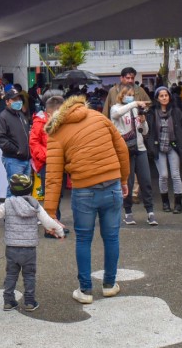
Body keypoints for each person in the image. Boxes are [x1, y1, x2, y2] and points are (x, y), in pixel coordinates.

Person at [43, 93, 130, 305]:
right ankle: (109, 285)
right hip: (112, 186)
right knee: (111, 237)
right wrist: (124, 179)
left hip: (84, 191)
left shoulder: (56, 133)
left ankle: (85, 290)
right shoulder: (98, 117)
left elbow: (53, 177)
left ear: (50, 114)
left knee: (83, 240)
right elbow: (122, 149)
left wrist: (50, 214)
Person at [0, 173, 65, 311]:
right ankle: (30, 302)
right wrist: (59, 231)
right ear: (30, 189)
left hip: (12, 247)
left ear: (12, 189)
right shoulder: (34, 204)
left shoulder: (7, 204)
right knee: (29, 275)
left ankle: (8, 301)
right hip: (29, 248)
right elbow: (47, 221)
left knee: (11, 274)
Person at [110, 83, 155, 226]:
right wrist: (134, 103)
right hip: (125, 150)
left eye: (131, 95)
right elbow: (117, 114)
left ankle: (150, 212)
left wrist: (143, 122)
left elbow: (145, 131)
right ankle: (128, 213)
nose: (129, 97)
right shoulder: (115, 108)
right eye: (127, 95)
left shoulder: (136, 110)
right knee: (127, 183)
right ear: (121, 95)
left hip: (140, 148)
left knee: (146, 181)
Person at [146, 86, 182, 214]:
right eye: (161, 96)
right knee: (163, 175)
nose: (164, 98)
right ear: (157, 98)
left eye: (166, 95)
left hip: (173, 146)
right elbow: (148, 131)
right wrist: (151, 145)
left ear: (169, 96)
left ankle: (178, 203)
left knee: (175, 175)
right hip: (159, 146)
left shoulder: (176, 111)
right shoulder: (152, 112)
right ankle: (165, 202)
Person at [0, 86, 32, 181]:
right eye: (14, 99)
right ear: (7, 102)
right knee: (15, 189)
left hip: (26, 159)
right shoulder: (3, 117)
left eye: (19, 99)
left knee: (24, 189)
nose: (18, 101)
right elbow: (0, 139)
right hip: (13, 160)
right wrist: (17, 150)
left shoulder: (21, 115)